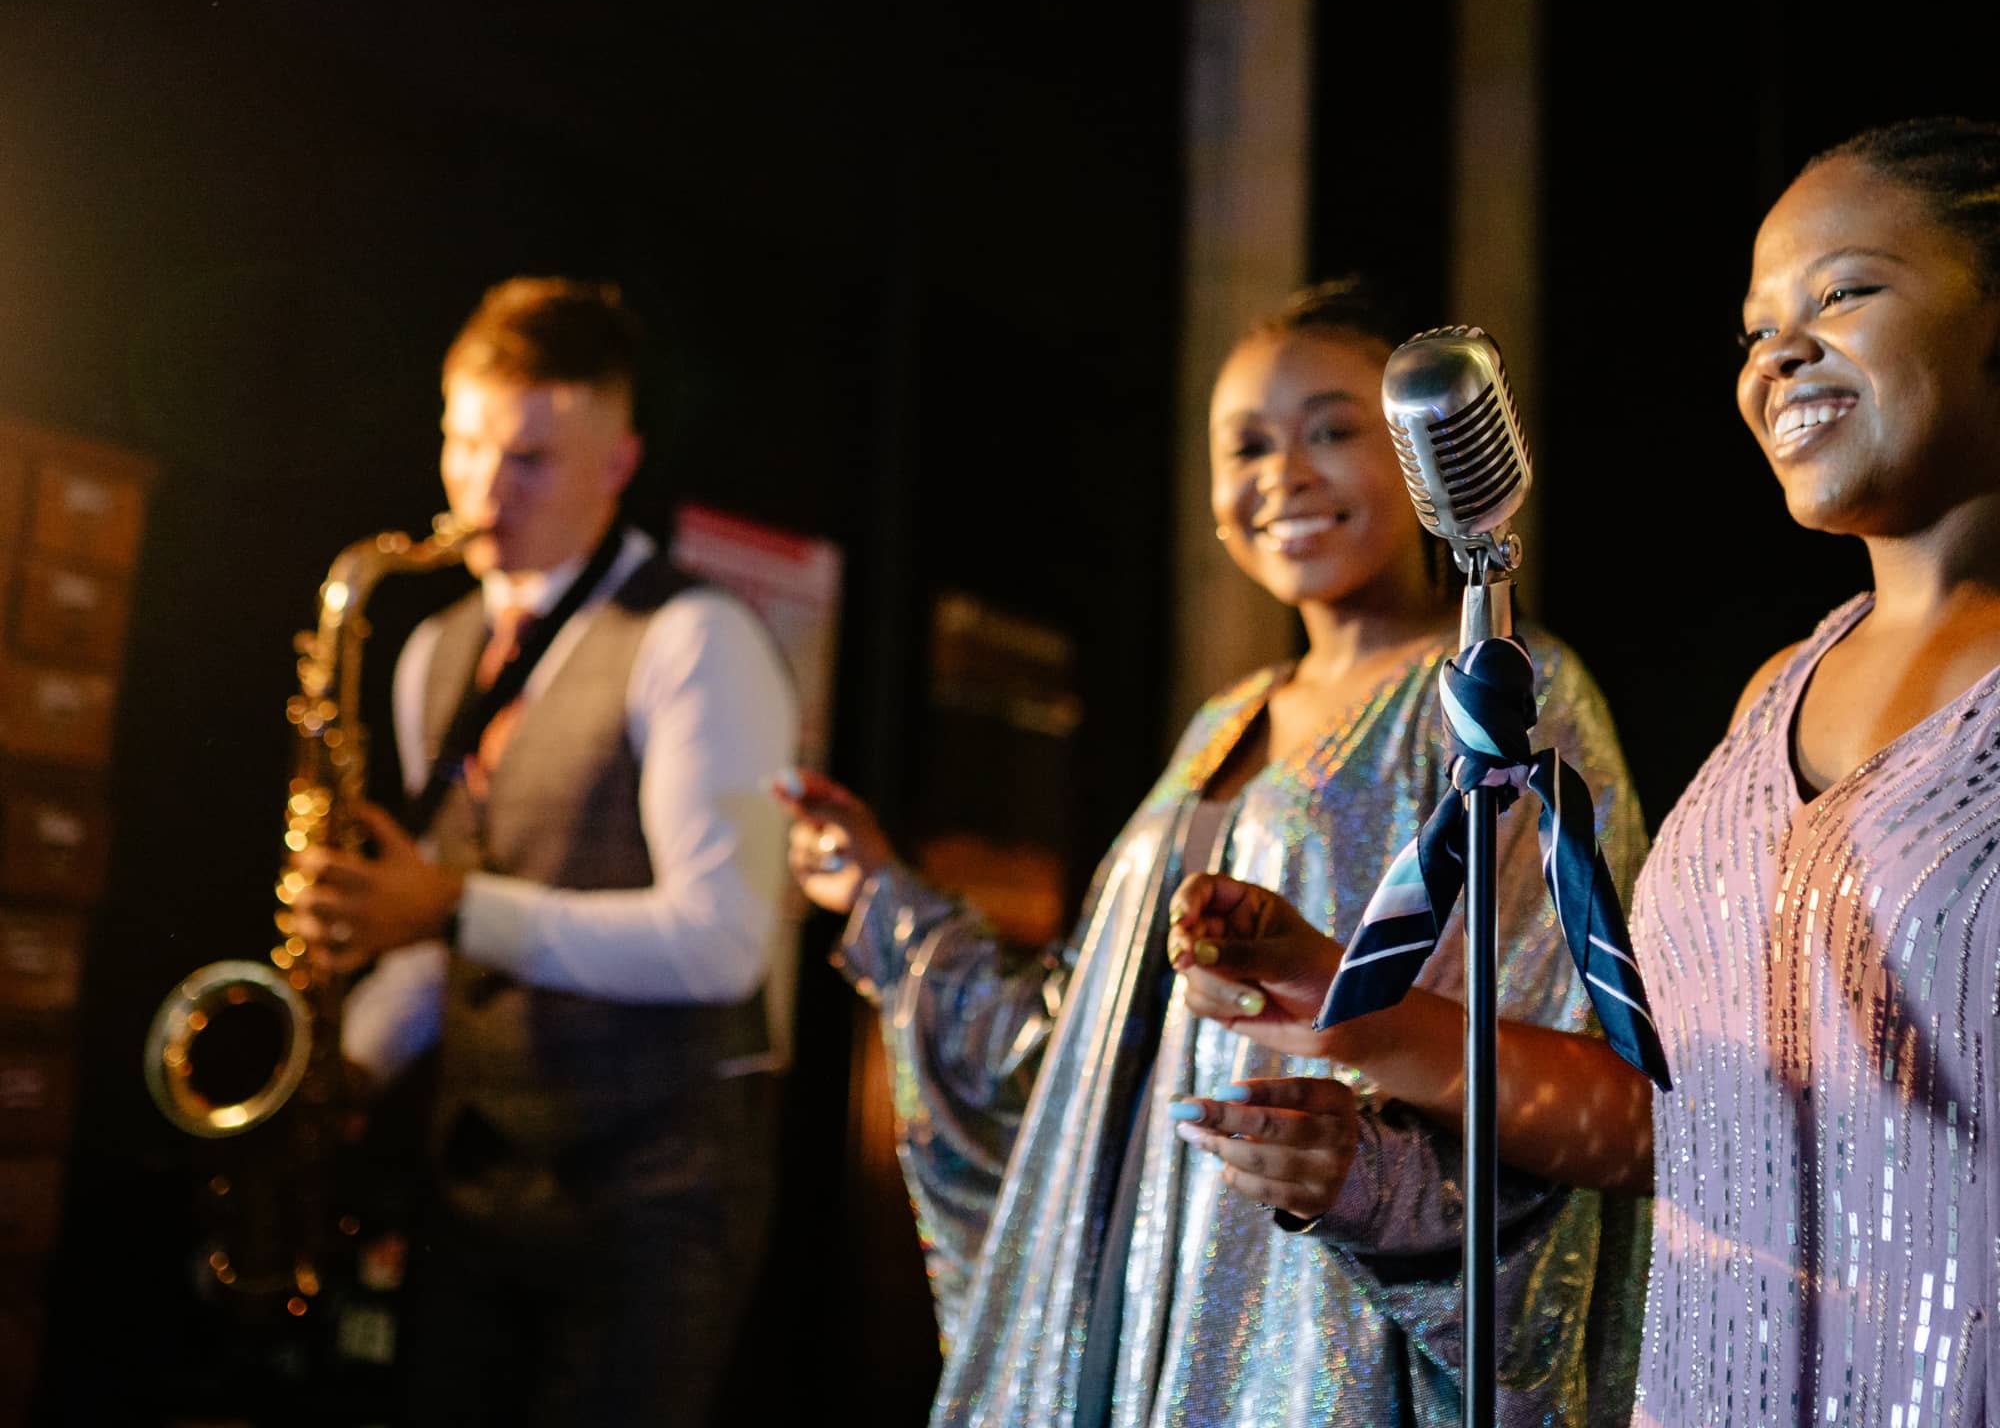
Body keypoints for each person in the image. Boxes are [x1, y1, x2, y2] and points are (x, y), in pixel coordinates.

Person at [1172, 116, 2000, 1428]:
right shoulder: (1771, 698)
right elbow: (1680, 1123)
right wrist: (1347, 1005)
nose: (1777, 353)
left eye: (1842, 292)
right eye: (1754, 328)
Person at [778, 278, 1651, 1427]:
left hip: (1313, 1317)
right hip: (1134, 1299)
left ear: (1418, 457)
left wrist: (1366, 1172)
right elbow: (1074, 1050)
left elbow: (1575, 1063)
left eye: (1331, 430)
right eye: (1245, 445)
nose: (1282, 472)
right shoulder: (1219, 723)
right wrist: (880, 894)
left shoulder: (1496, 695)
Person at [296, 276, 797, 1427]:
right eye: (465, 442)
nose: (482, 488)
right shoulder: (434, 649)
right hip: (477, 1184)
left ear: (618, 461)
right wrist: (347, 1064)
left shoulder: (695, 637)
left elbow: (720, 942)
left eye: (528, 457)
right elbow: (441, 942)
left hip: (651, 1196)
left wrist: (448, 906)